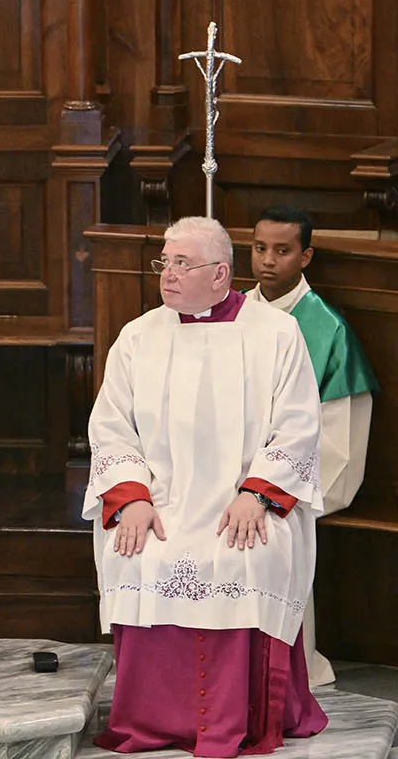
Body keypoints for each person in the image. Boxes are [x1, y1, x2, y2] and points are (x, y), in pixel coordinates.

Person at [84, 216, 328, 756]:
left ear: (221, 274)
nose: (166, 274)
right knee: (136, 554)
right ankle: (150, 721)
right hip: (162, 504)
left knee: (243, 556)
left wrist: (257, 493)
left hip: (242, 505)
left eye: (180, 263)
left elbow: (299, 424)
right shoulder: (139, 336)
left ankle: (239, 718)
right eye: (163, 262)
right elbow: (110, 426)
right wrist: (133, 498)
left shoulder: (275, 334)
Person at [245, 205, 378, 687]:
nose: (268, 261)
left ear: (306, 256)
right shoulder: (232, 314)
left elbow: (341, 437)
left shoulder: (327, 329)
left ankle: (282, 672)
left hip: (292, 476)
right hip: (232, 471)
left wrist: (272, 488)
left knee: (272, 530)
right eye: (260, 248)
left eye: (282, 251)